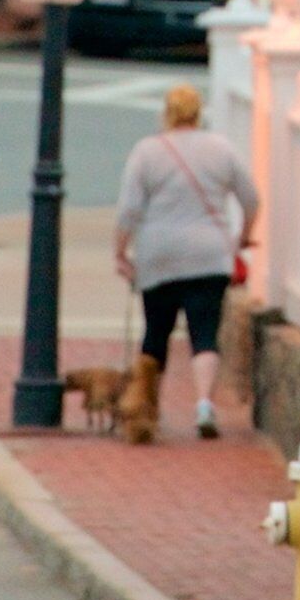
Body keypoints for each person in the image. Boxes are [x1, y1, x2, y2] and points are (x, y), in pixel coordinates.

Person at [113, 83, 258, 441]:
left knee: (156, 333)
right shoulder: (220, 148)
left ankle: (145, 409)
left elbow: (129, 209)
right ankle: (205, 405)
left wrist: (120, 252)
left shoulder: (147, 152)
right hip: (209, 255)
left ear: (167, 112)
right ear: (198, 112)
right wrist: (243, 236)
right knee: (204, 334)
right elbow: (251, 197)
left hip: (158, 256)